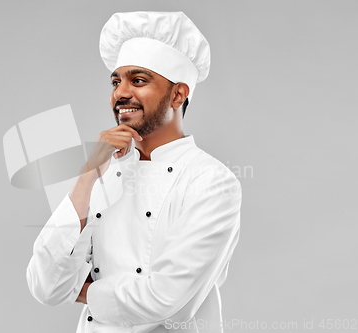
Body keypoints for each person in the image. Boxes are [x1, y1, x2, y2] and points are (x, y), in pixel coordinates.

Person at [27, 11, 241, 332]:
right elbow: (45, 284)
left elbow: (170, 302)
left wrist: (84, 292)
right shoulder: (102, 172)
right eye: (116, 81)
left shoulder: (212, 181)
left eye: (138, 80)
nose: (120, 93)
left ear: (178, 94)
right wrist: (87, 176)